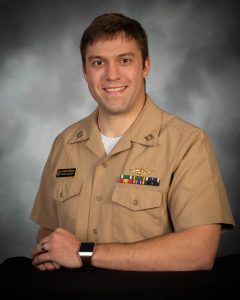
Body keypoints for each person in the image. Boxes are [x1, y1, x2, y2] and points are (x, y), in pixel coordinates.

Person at [30, 13, 235, 272]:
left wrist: (85, 253)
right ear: (85, 71)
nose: (111, 75)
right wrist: (47, 251)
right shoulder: (65, 143)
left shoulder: (187, 143)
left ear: (145, 66)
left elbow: (200, 251)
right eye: (98, 63)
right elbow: (48, 229)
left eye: (124, 60)